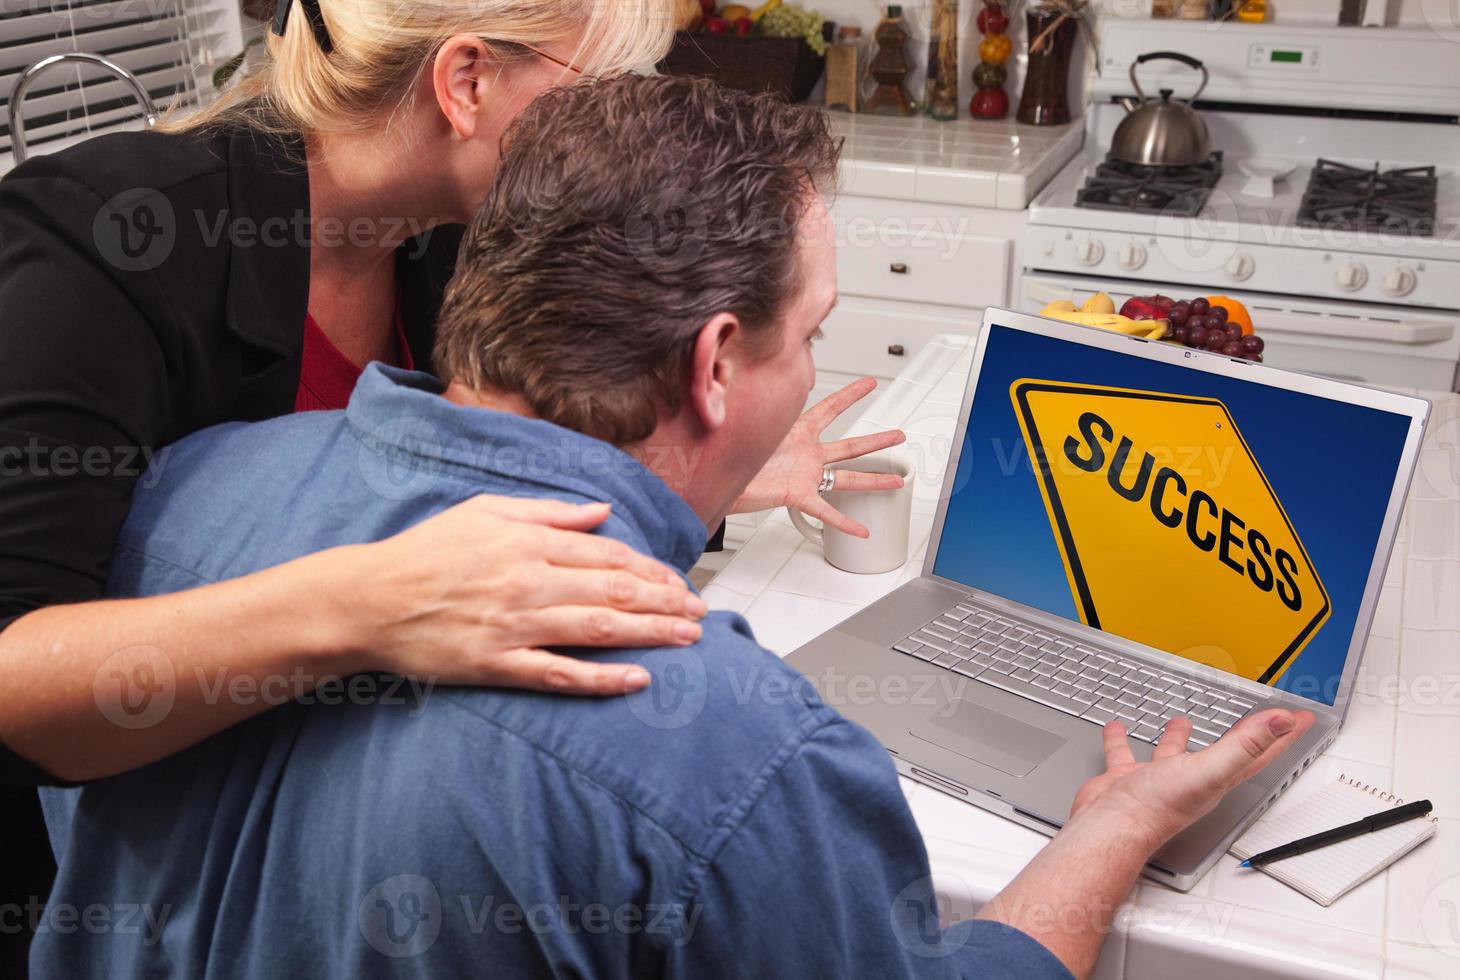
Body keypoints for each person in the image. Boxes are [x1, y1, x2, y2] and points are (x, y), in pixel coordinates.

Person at [35, 74, 1314, 980]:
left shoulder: (189, 491)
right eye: (808, 333)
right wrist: (1108, 829)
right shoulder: (728, 745)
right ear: (713, 365)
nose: (809, 365)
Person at [0, 3, 898, 962]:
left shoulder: (448, 236)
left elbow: (485, 452)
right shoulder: (102, 247)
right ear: (466, 81)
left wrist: (708, 459)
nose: (620, 125)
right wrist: (373, 600)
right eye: (602, 89)